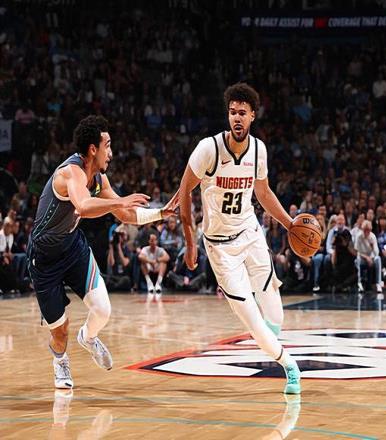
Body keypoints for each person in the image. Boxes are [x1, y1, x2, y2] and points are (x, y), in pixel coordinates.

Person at [27, 115, 178, 389]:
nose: (111, 152)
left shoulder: (99, 178)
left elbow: (125, 214)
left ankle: (88, 337)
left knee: (103, 309)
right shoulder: (70, 172)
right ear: (93, 149)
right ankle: (60, 361)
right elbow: (83, 206)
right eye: (107, 146)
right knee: (60, 331)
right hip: (44, 258)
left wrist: (159, 213)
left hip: (72, 247)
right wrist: (120, 201)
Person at [178, 83, 301, 394]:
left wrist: (289, 224)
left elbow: (264, 192)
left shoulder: (259, 150)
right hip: (220, 247)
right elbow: (184, 192)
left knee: (275, 313)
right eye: (232, 112)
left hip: (250, 233)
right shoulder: (208, 149)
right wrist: (190, 242)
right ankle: (289, 366)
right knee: (252, 319)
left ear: (252, 116)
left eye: (242, 113)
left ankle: (269, 344)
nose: (236, 117)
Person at [139, 233, 169, 298]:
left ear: (157, 241)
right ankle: (149, 283)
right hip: (148, 267)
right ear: (149, 241)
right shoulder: (145, 249)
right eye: (151, 240)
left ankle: (158, 284)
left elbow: (167, 257)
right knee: (142, 263)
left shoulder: (160, 249)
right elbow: (140, 257)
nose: (153, 242)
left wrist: (157, 260)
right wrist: (150, 261)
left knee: (164, 263)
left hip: (157, 268)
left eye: (155, 240)